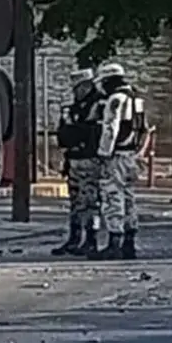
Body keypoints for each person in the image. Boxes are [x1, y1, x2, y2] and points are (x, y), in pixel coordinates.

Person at [89, 63, 147, 260]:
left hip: (116, 156)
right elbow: (143, 128)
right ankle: (129, 242)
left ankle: (115, 241)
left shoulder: (115, 99)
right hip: (131, 155)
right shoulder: (136, 99)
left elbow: (110, 129)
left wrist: (103, 153)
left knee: (112, 197)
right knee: (129, 198)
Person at [51, 69, 104, 256]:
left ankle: (91, 239)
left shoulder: (99, 104)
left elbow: (93, 133)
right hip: (74, 159)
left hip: (90, 159)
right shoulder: (74, 107)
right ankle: (75, 238)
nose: (76, 92)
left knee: (91, 203)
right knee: (75, 202)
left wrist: (77, 131)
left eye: (79, 87)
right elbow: (63, 134)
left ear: (88, 85)